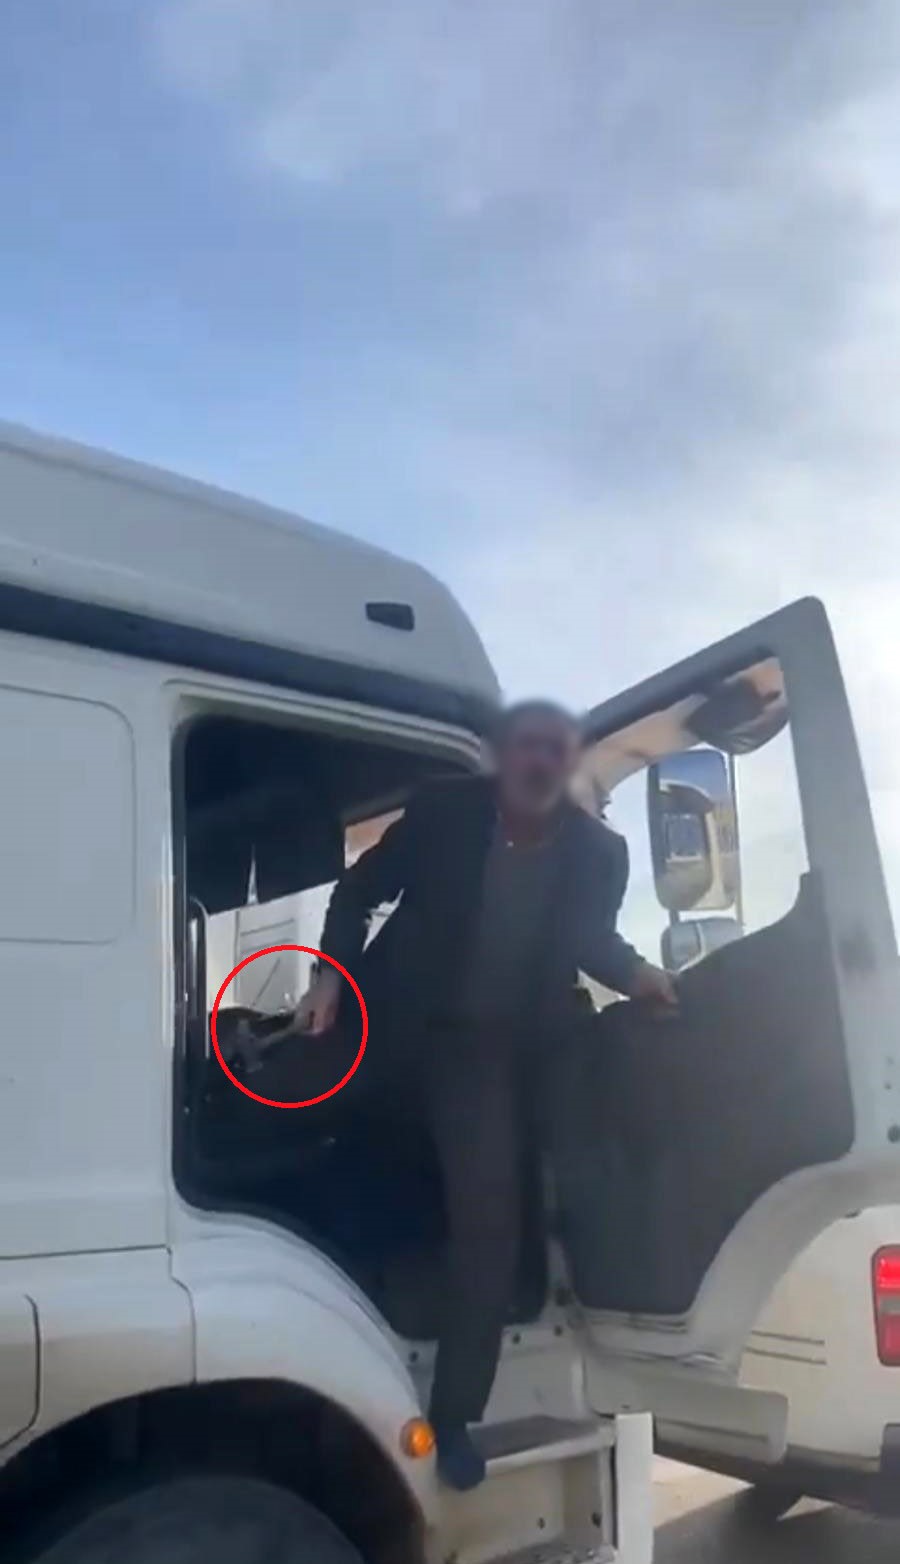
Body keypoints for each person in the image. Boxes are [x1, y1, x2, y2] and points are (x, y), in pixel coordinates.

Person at [296, 700, 676, 1489]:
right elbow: (356, 893)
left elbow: (593, 942)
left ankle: (453, 1417)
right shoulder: (444, 814)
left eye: (554, 754)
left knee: (492, 1219)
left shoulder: (598, 855)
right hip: (408, 1028)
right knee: (337, 1150)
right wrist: (329, 975)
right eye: (524, 750)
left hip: (501, 1055)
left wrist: (643, 976)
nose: (537, 766)